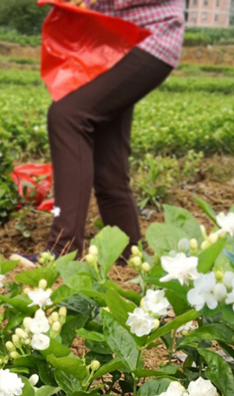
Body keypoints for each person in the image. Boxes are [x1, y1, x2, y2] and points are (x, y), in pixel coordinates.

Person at [44, 0, 186, 259]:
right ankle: (128, 259)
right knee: (109, 166)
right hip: (113, 39)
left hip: (150, 36)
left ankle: (62, 251)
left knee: (67, 116)